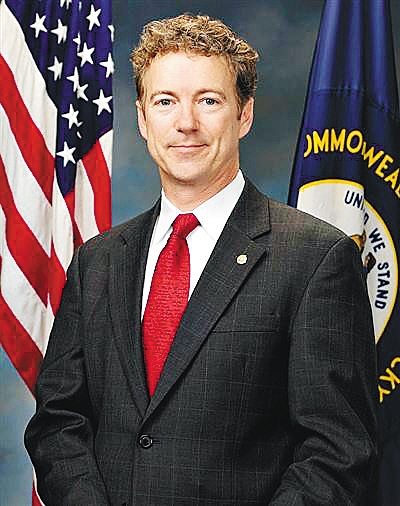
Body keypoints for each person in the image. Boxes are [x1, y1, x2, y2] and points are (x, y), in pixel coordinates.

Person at [25, 14, 378, 506]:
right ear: (143, 118)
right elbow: (58, 422)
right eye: (165, 101)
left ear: (244, 114)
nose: (185, 123)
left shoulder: (316, 258)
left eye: (208, 101)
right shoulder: (97, 261)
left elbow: (337, 453)